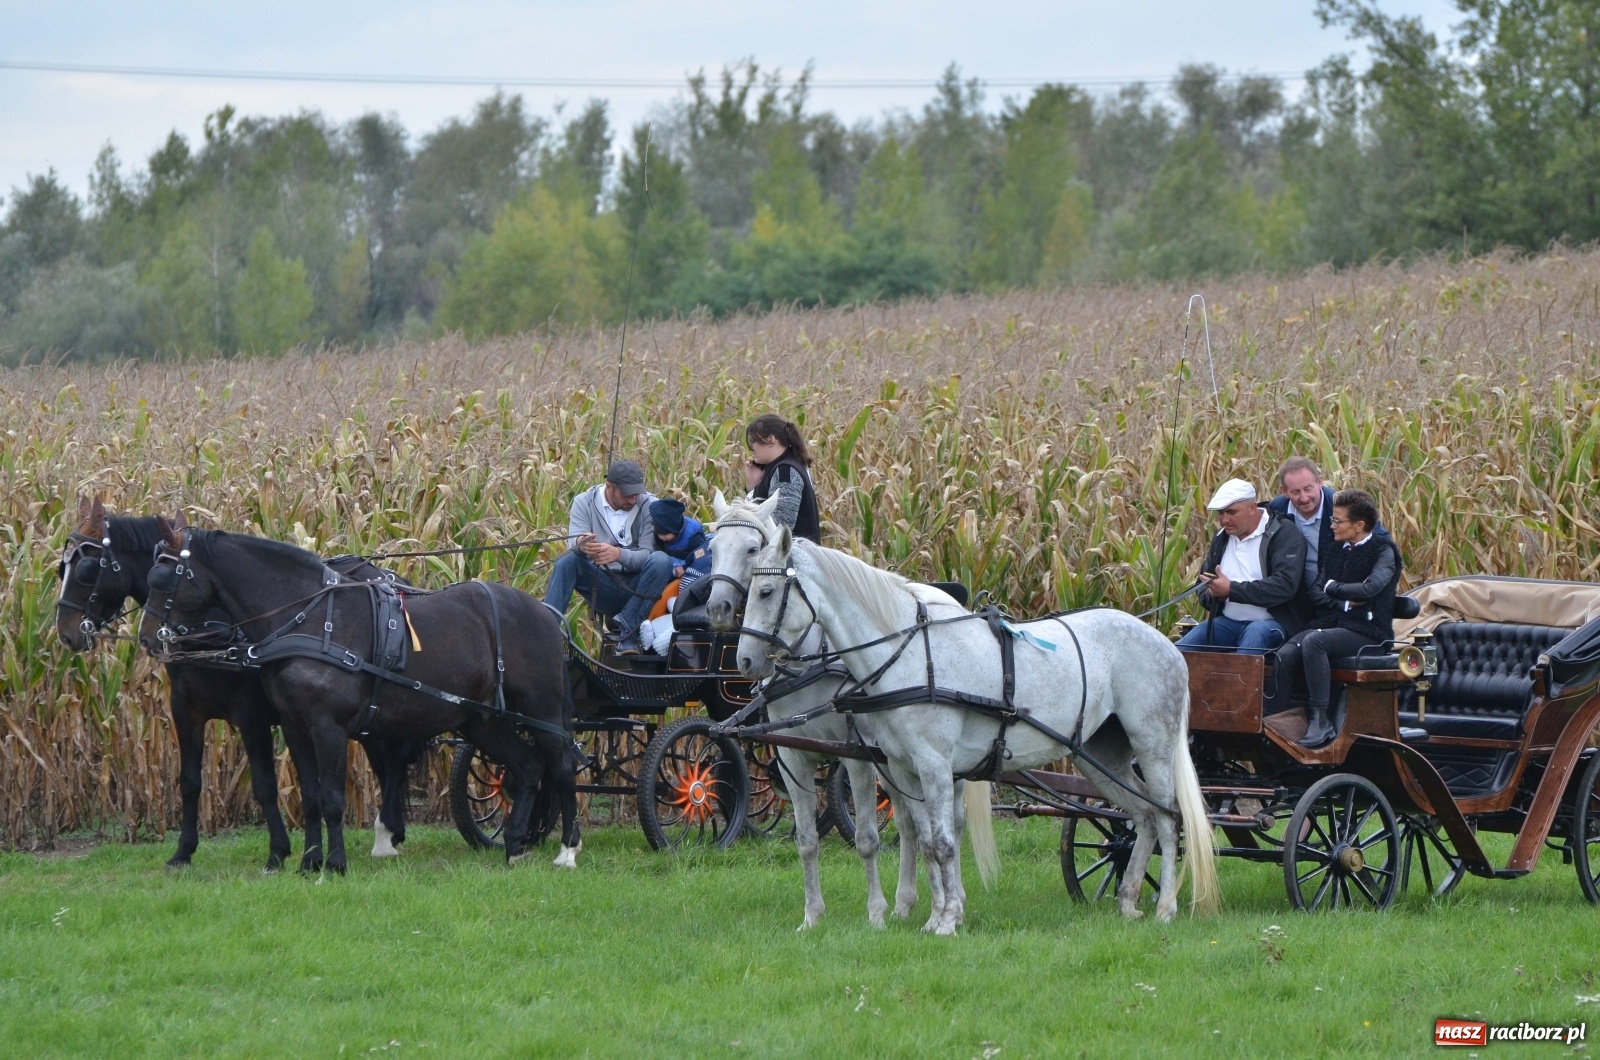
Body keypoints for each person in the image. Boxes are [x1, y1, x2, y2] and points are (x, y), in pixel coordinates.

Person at [1271, 489, 1404, 748]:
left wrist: (1332, 586)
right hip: (1330, 624)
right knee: (1284, 653)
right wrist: (1341, 597)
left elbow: (1370, 589)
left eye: (1337, 521)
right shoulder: (1334, 550)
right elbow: (1315, 593)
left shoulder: (1383, 552)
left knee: (1314, 643)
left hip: (1367, 630)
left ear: (1358, 525)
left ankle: (1320, 720)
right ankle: (1276, 719)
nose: (1331, 525)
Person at [543, 459, 675, 654]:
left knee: (661, 560)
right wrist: (582, 542)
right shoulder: (584, 502)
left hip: (642, 588)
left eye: (636, 494)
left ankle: (627, 632)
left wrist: (617, 554)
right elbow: (573, 544)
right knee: (567, 561)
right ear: (609, 487)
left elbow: (648, 554)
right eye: (626, 494)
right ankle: (545, 633)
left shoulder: (649, 505)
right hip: (604, 585)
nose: (632, 500)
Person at [1177, 478, 1307, 653]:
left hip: (1272, 623)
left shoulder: (1283, 533)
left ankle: (1239, 681)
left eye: (1231, 512)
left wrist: (1231, 590)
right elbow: (1203, 583)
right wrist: (1212, 593)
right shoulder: (1222, 536)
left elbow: (1284, 586)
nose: (1224, 520)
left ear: (1252, 508)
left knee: (1254, 637)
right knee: (1179, 652)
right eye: (1220, 513)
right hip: (1227, 623)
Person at [744, 413, 821, 544]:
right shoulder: (784, 466)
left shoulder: (785, 471)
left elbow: (781, 528)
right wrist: (754, 484)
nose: (751, 448)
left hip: (791, 561)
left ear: (771, 439)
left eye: (753, 441)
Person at [648, 497, 713, 587]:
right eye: (659, 534)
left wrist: (684, 567)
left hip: (690, 560)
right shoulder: (661, 534)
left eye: (665, 534)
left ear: (676, 529)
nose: (662, 537)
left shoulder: (693, 535)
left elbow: (700, 553)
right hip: (672, 557)